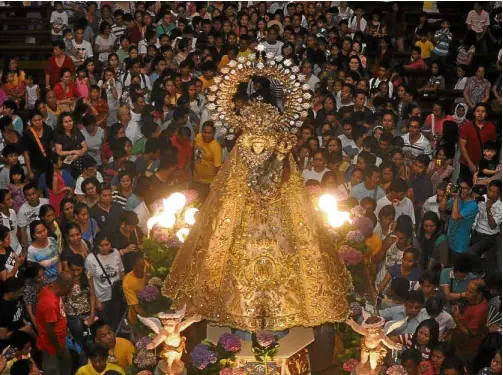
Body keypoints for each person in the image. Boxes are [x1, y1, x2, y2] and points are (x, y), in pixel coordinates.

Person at [85, 232, 125, 332]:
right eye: (101, 245)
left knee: (115, 320)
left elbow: (121, 271)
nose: (105, 248)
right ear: (97, 245)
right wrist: (97, 300)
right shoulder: (91, 259)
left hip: (115, 295)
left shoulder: (115, 253)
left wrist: (123, 289)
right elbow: (89, 282)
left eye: (107, 244)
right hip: (102, 297)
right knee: (103, 324)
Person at [36, 272, 73, 375]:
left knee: (66, 362)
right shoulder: (50, 304)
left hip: (60, 340)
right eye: (70, 288)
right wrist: (57, 348)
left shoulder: (50, 288)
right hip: (51, 345)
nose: (70, 291)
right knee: (52, 370)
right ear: (65, 286)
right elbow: (50, 331)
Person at [451, 279, 489, 370]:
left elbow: (469, 333)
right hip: (458, 341)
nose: (466, 293)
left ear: (479, 294)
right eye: (467, 289)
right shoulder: (473, 300)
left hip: (466, 348)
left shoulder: (479, 311)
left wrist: (456, 318)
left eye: (470, 292)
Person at [439, 180, 478, 264]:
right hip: (450, 239)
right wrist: (446, 194)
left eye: (465, 188)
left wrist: (456, 198)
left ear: (470, 190)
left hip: (460, 245)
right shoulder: (457, 199)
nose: (462, 191)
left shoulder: (473, 205)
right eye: (460, 188)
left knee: (455, 269)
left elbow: (455, 216)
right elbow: (442, 208)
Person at [468, 180, 501, 271]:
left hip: (489, 236)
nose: (492, 194)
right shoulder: (483, 198)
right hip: (475, 232)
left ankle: (481, 270)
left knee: (471, 252)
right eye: (490, 191)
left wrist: (488, 209)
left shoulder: (500, 207)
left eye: (495, 192)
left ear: (499, 194)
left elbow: (493, 226)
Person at [459, 103, 497, 182]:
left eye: (483, 111)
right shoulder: (467, 126)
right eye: (478, 111)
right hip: (466, 164)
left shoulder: (491, 127)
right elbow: (462, 146)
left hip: (484, 165)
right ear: (474, 113)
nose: (480, 113)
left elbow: (493, 146)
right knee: (465, 187)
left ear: (486, 114)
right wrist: (470, 164)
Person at [64, 253, 95, 346]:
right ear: (68, 268)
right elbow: (62, 299)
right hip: (73, 315)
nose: (76, 273)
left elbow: (92, 295)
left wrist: (92, 314)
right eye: (73, 270)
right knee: (79, 340)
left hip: (87, 312)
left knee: (90, 339)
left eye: (79, 270)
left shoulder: (87, 274)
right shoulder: (65, 277)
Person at [18, 183, 49, 249]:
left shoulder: (47, 202)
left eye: (33, 193)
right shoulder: (22, 210)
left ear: (37, 192)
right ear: (25, 197)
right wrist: (26, 248)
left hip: (48, 237)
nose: (32, 197)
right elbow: (22, 231)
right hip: (32, 242)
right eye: (28, 195)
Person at [122, 252, 146, 325]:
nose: (144, 269)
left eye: (145, 266)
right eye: (141, 267)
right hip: (138, 319)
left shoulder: (149, 268)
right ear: (133, 266)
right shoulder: (127, 282)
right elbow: (137, 308)